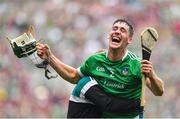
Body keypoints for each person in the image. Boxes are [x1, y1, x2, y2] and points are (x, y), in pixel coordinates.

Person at [36, 18, 164, 118]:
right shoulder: (95, 60)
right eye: (115, 28)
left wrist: (152, 75)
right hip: (103, 116)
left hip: (129, 117)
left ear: (129, 40)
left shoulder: (136, 64)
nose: (117, 31)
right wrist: (50, 57)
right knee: (83, 83)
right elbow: (73, 76)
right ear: (109, 35)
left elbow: (159, 91)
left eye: (122, 30)